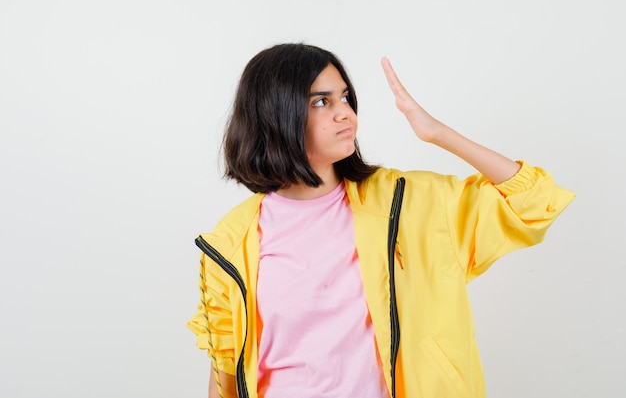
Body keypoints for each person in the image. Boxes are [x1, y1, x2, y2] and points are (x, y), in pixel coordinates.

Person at [187, 43, 575, 398]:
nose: (345, 113)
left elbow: (533, 201)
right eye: (321, 102)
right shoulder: (230, 242)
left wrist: (438, 134)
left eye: (345, 97)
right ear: (275, 113)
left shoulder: (407, 204)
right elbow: (224, 375)